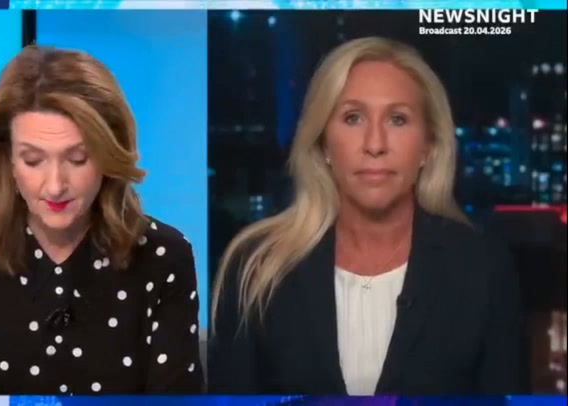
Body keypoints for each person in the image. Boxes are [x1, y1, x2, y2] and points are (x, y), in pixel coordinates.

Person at [208, 37, 528, 395]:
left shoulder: (482, 268)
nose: (375, 144)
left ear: (427, 147)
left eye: (397, 119)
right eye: (353, 118)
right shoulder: (256, 266)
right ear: (323, 143)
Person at [0, 45, 203, 394]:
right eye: (33, 160)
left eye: (78, 158)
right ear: (8, 159)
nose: (55, 186)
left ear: (108, 155)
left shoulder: (164, 257)